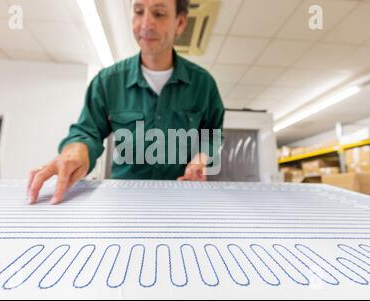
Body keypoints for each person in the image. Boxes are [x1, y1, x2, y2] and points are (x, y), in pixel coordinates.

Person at [27, 0, 225, 205]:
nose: (146, 24)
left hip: (180, 198)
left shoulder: (204, 84)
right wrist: (76, 150)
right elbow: (88, 131)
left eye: (158, 14)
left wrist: (201, 158)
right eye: (139, 12)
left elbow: (213, 134)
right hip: (122, 201)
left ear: (181, 22)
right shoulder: (107, 81)